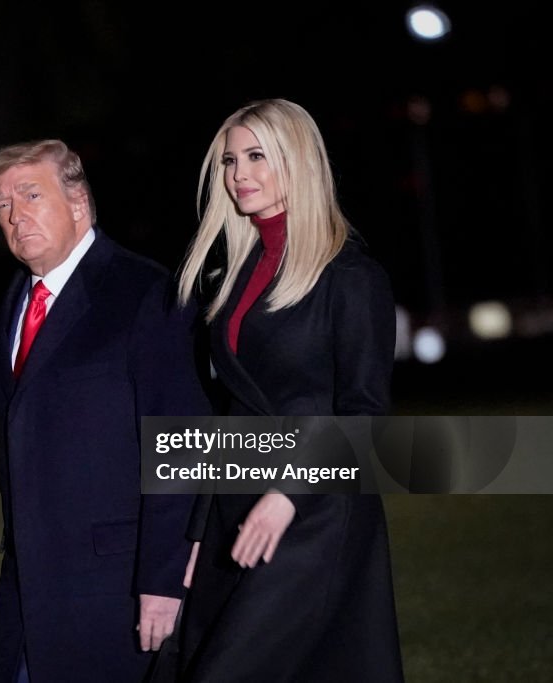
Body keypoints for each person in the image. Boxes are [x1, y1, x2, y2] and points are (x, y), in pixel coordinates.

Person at [174, 99, 405, 681]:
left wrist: (285, 496)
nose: (238, 174)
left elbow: (366, 413)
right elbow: (229, 414)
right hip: (237, 509)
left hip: (314, 516)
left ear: (297, 162)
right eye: (230, 160)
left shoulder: (351, 278)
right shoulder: (235, 276)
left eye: (256, 157)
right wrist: (198, 531)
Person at [0, 139, 212, 683]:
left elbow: (179, 440)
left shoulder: (144, 293)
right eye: (2, 204)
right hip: (26, 589)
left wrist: (163, 577)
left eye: (31, 195)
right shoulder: (14, 301)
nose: (15, 216)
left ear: (79, 203)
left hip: (116, 588)